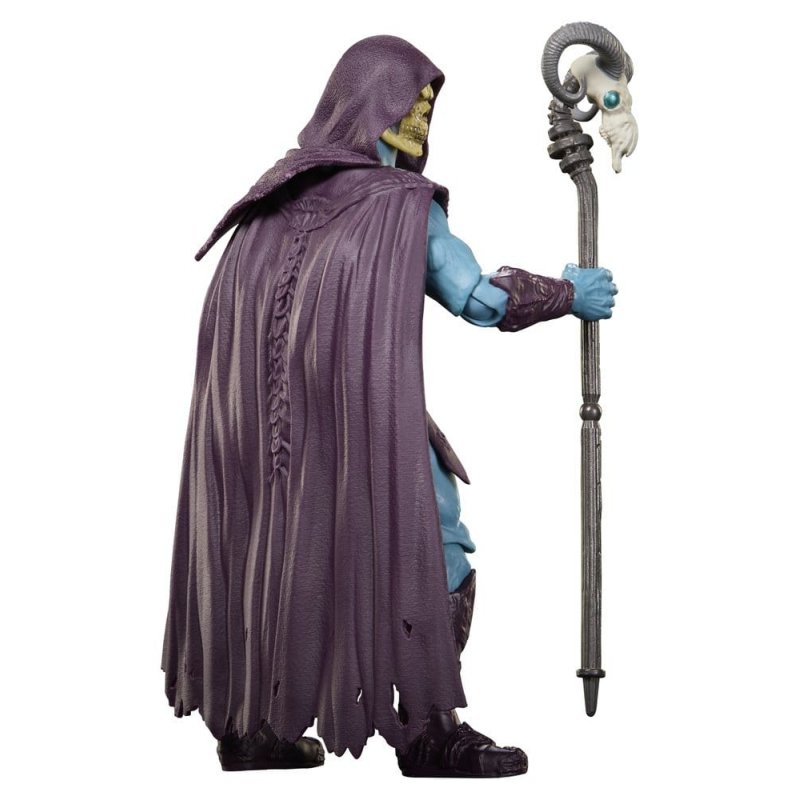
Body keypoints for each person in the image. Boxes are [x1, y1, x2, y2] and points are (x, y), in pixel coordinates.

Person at [162, 34, 616, 779]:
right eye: (413, 99)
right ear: (373, 103)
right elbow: (480, 299)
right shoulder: (401, 205)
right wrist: (568, 294)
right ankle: (429, 727)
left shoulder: (262, 206)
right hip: (358, 427)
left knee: (269, 551)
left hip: (256, 441)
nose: (421, 115)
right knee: (435, 534)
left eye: (428, 103)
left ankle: (252, 728)